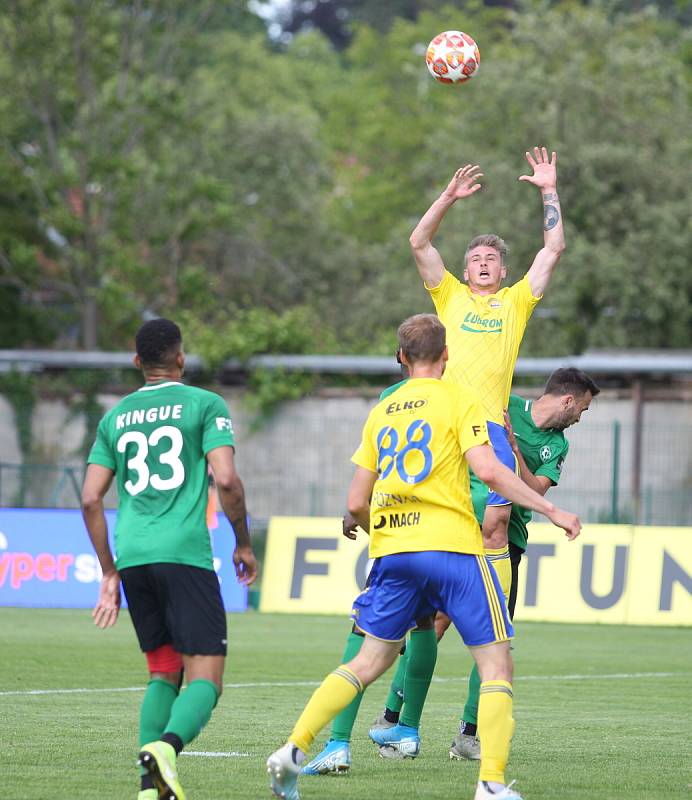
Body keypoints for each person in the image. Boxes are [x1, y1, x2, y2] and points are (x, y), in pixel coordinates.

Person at [267, 313, 581, 800]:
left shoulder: (383, 409)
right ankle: (491, 783)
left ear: (400, 357)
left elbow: (355, 502)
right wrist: (551, 508)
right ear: (448, 355)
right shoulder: (460, 399)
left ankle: (291, 751)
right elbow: (491, 472)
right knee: (497, 664)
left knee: (366, 662)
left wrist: (386, 531)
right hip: (452, 551)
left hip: (393, 552)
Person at [370, 368, 600, 761]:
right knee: (430, 625)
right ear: (567, 399)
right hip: (459, 530)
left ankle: (468, 735)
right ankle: (396, 718)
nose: (581, 416)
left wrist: (511, 449)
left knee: (495, 639)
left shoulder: (556, 446)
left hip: (507, 543)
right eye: (583, 407)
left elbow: (532, 490)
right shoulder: (501, 405)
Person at [81, 318, 257, 800]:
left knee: (163, 671)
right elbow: (227, 480)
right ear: (180, 358)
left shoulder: (114, 418)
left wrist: (109, 571)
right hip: (184, 555)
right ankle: (166, 748)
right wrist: (242, 541)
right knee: (207, 677)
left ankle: (147, 786)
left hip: (134, 555)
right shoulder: (205, 404)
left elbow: (91, 499)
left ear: (138, 362)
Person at [410, 147, 565, 558]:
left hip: (492, 428)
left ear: (503, 272)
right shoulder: (450, 295)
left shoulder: (516, 301)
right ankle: (431, 617)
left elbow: (553, 250)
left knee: (495, 524)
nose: (482, 263)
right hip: (447, 424)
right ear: (464, 271)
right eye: (475, 259)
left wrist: (549, 190)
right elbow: (419, 243)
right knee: (436, 524)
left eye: (491, 259)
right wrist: (447, 198)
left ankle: (488, 616)